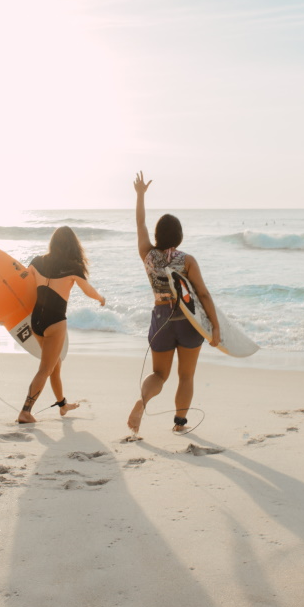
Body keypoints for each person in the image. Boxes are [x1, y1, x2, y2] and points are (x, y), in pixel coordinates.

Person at [127, 171, 221, 437]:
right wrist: (215, 327)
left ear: (158, 235)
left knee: (159, 374)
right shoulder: (187, 259)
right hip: (188, 322)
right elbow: (202, 294)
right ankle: (180, 423)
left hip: (161, 319)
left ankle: (142, 403)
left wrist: (140, 195)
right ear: (179, 235)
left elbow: (140, 224)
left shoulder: (147, 254)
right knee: (186, 376)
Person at [17, 226, 106, 424]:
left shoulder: (37, 261)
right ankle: (25, 411)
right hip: (55, 322)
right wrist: (101, 298)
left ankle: (62, 405)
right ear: (73, 244)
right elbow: (88, 290)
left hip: (36, 321)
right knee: (45, 369)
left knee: (55, 365)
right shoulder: (73, 267)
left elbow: (21, 282)